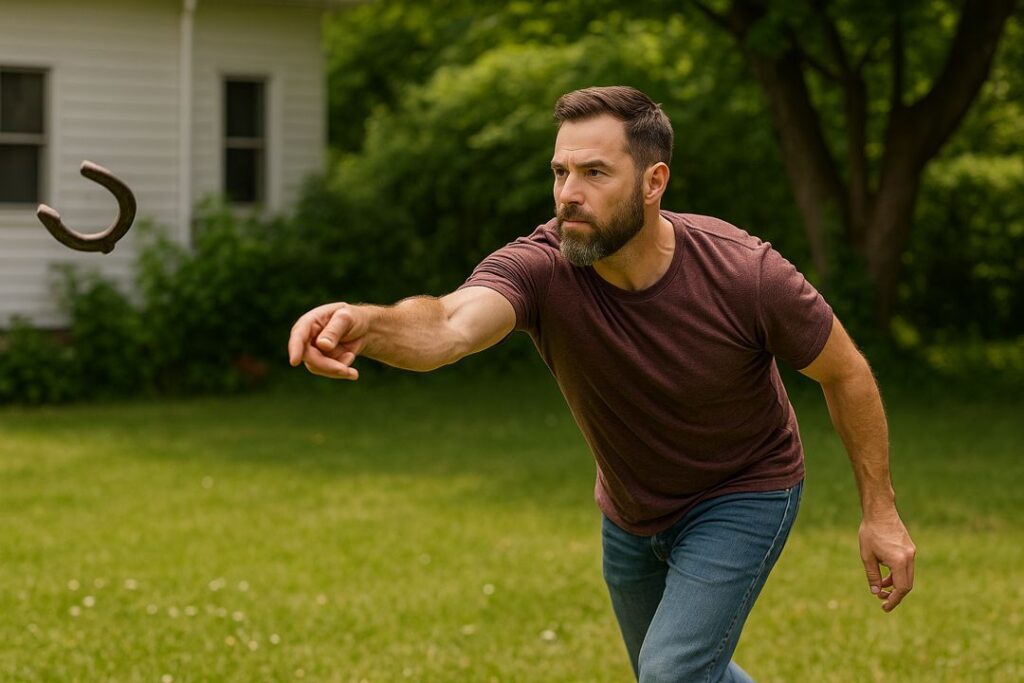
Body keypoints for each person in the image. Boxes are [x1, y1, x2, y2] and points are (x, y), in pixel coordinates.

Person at [287, 86, 916, 683]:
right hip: (631, 509)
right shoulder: (542, 266)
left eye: (594, 173)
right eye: (560, 172)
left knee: (670, 674)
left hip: (742, 491)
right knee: (679, 673)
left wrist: (880, 511)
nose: (568, 194)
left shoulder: (744, 273)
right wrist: (366, 324)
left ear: (653, 181)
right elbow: (450, 324)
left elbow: (846, 371)